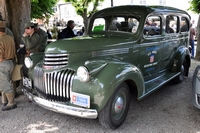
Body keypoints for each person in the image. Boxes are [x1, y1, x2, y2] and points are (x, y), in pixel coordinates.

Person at [0, 21, 17, 111]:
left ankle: (11, 103)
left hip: (2, 64)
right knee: (5, 82)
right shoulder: (10, 38)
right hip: (10, 62)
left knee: (4, 83)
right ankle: (4, 101)